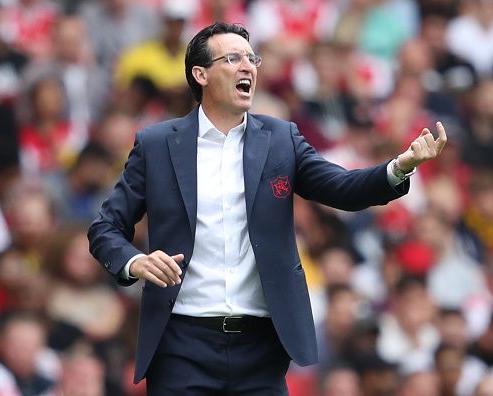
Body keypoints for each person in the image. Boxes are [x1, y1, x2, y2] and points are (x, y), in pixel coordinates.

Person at [88, 22, 447, 395]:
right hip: (180, 343)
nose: (248, 66)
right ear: (201, 74)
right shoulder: (157, 144)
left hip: (261, 346)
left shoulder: (281, 139)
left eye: (251, 58)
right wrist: (135, 262)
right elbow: (105, 228)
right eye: (232, 58)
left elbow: (343, 189)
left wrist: (400, 166)